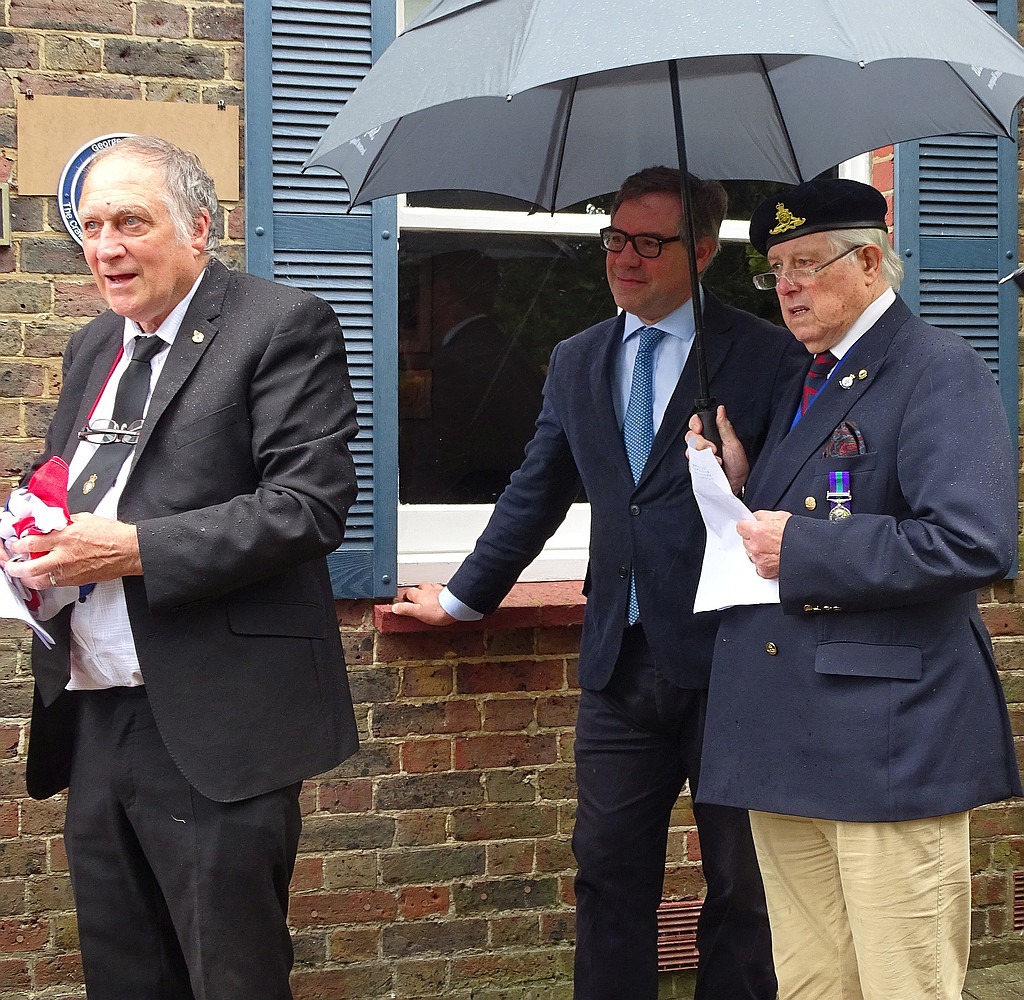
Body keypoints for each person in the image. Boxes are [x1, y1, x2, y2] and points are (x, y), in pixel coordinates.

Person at [394, 166, 806, 1000]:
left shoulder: (765, 354)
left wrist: (742, 479)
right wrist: (462, 597)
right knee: (608, 877)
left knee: (745, 888)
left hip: (733, 660)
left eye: (649, 243)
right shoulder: (577, 358)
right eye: (615, 238)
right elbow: (535, 490)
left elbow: (800, 498)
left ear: (701, 252)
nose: (624, 258)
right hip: (619, 663)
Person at [5, 136, 361, 1000]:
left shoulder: (281, 325)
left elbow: (306, 506)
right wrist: (31, 535)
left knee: (229, 979)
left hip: (214, 722)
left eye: (131, 222)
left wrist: (130, 549)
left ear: (200, 227)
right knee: (124, 975)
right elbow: (76, 480)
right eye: (91, 227)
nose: (106, 247)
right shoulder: (94, 344)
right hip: (94, 710)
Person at [690, 176, 1023, 1000]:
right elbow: (815, 507)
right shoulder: (807, 379)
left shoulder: (937, 368)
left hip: (886, 741)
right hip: (788, 733)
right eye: (775, 270)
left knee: (903, 981)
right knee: (812, 980)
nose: (787, 287)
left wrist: (801, 547)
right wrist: (741, 483)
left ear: (870, 262)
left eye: (806, 263)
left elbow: (972, 542)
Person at [399, 249, 545, 502]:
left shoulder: (453, 364)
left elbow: (433, 468)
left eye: (418, 294)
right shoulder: (509, 352)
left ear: (441, 293)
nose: (415, 307)